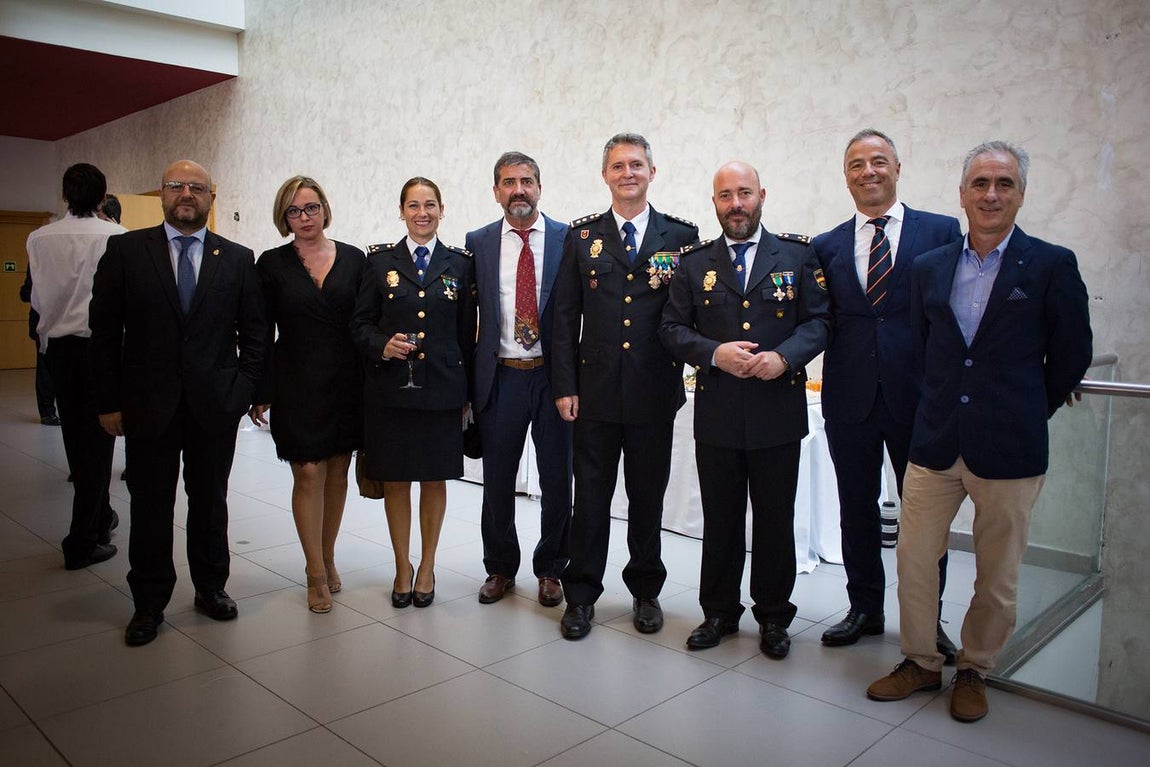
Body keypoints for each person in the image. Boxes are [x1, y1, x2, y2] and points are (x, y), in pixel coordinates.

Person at [866, 141, 1092, 722]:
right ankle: (919, 661)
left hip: (1011, 448)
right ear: (962, 193)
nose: (992, 194)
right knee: (915, 558)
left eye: (1005, 184)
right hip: (935, 442)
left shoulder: (1050, 265)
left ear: (1020, 193)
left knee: (997, 571)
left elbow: (1073, 354)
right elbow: (919, 348)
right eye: (981, 183)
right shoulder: (929, 266)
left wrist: (1023, 409)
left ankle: (974, 667)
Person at [90, 160, 267, 647]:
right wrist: (107, 401)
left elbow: (255, 334)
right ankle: (148, 602)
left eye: (197, 187)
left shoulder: (236, 257)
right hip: (148, 406)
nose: (186, 193)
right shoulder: (125, 250)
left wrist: (242, 391)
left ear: (211, 197)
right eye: (176, 186)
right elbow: (104, 333)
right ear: (163, 195)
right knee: (150, 505)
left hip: (214, 406)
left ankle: (211, 588)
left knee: (210, 502)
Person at [659, 161, 830, 658]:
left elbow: (820, 322)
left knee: (776, 520)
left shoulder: (798, 254)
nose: (736, 204)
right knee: (722, 519)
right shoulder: (693, 263)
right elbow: (671, 329)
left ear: (762, 196)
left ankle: (774, 617)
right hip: (718, 413)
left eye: (745, 194)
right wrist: (714, 353)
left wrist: (784, 357)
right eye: (725, 196)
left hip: (778, 411)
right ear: (714, 203)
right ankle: (718, 613)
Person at [812, 129, 962, 658]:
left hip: (919, 400)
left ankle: (927, 621)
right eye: (857, 164)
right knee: (855, 508)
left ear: (897, 167)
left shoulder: (943, 232)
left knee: (924, 517)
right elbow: (817, 321)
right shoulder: (825, 246)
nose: (868, 172)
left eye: (879, 162)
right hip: (850, 399)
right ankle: (865, 608)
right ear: (846, 175)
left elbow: (960, 316)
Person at [550, 132, 699, 639]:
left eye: (637, 164)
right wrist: (565, 385)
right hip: (593, 394)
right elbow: (565, 317)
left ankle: (645, 590)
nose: (628, 173)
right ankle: (582, 595)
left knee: (647, 498)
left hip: (653, 393)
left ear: (652, 172)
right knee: (589, 499)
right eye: (618, 166)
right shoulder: (582, 237)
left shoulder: (681, 236)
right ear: (605, 175)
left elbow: (688, 315)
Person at [351, 177, 477, 610]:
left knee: (433, 477)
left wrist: (467, 393)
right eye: (413, 205)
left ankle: (428, 565)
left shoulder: (461, 264)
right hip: (391, 391)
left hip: (441, 391)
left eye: (430, 205)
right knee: (397, 480)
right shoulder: (379, 262)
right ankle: (402, 565)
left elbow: (466, 334)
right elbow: (360, 324)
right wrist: (379, 345)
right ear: (401, 211)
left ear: (443, 209)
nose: (422, 213)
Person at [249, 177, 365, 613]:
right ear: (284, 217)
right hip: (295, 380)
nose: (304, 218)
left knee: (337, 472)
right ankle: (314, 572)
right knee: (308, 474)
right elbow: (259, 330)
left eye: (311, 208)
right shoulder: (271, 264)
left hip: (346, 380)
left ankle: (329, 554)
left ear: (324, 208)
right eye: (294, 211)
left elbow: (366, 322)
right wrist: (260, 389)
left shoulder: (354, 260)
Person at [466, 152, 573, 607]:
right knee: (497, 480)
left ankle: (551, 569)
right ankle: (500, 567)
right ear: (496, 192)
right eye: (508, 183)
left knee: (557, 480)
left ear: (540, 187)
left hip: (553, 377)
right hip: (502, 378)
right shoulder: (479, 242)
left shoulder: (570, 239)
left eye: (526, 181)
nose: (518, 190)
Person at [26, 163, 125, 569]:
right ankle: (83, 537)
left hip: (58, 351)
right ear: (103, 197)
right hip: (101, 348)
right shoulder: (117, 237)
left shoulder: (37, 238)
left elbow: (35, 297)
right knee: (100, 441)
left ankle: (100, 517)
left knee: (77, 439)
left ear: (65, 196)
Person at [19, 272, 59, 426]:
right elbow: (24, 293)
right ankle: (47, 412)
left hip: (66, 321)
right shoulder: (37, 260)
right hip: (43, 322)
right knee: (45, 367)